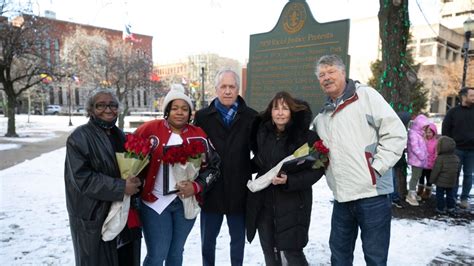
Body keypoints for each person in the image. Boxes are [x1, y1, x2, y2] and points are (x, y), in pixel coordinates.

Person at [311, 54, 407, 265]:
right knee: (339, 257)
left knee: (375, 258)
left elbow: (396, 134)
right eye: (321, 75)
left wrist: (378, 168)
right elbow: (310, 149)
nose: (326, 77)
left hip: (372, 196)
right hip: (342, 200)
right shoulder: (323, 116)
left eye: (331, 72)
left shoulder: (366, 96)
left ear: (343, 73)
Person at [135, 84, 220, 266]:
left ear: (190, 112)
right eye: (174, 108)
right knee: (158, 253)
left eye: (184, 109)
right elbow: (129, 155)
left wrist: (196, 186)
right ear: (167, 110)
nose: (179, 113)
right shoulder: (149, 130)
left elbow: (214, 168)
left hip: (185, 204)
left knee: (176, 253)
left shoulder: (199, 134)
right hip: (154, 202)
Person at [64, 88, 142, 266]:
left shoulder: (121, 136)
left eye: (113, 105)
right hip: (95, 215)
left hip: (124, 216)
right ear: (90, 109)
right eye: (101, 105)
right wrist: (122, 187)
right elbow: (82, 178)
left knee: (125, 259)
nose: (108, 109)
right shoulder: (79, 137)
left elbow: (129, 169)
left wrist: (137, 180)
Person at [246, 91, 325, 266]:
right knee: (269, 252)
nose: (280, 112)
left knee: (292, 253)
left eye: (285, 108)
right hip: (264, 203)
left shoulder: (307, 138)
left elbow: (317, 169)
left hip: (294, 204)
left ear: (292, 112)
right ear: (270, 112)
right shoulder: (263, 134)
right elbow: (260, 162)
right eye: (276, 108)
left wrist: (290, 181)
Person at [194, 69, 258, 266]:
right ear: (216, 89)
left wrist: (246, 168)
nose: (228, 91)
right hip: (211, 190)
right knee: (207, 243)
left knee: (238, 242)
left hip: (239, 191)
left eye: (232, 87)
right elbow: (195, 152)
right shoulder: (202, 117)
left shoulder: (251, 117)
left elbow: (261, 151)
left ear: (239, 89)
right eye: (224, 86)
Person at [442, 87, 474, 209]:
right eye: (472, 95)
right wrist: (449, 147)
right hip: (456, 150)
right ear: (464, 97)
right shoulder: (453, 112)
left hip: (472, 150)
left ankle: (464, 199)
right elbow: (445, 130)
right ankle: (452, 197)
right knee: (453, 175)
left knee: (468, 175)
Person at [430, 136, 460, 214]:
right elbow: (458, 171)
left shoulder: (440, 158)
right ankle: (451, 207)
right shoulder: (456, 158)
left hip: (441, 182)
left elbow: (436, 171)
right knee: (450, 194)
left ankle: (440, 208)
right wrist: (456, 180)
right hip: (451, 182)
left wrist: (431, 180)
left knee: (439, 195)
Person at [406, 114, 430, 206]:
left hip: (420, 160)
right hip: (416, 160)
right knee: (415, 177)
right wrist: (421, 156)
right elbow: (414, 147)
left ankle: (413, 193)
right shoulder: (413, 134)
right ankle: (410, 194)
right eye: (423, 127)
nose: (424, 129)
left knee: (418, 176)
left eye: (425, 127)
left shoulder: (419, 134)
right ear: (419, 125)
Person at [390, 111, 411, 208]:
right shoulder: (395, 129)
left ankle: (394, 197)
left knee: (393, 179)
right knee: (392, 179)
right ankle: (393, 198)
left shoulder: (400, 129)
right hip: (390, 159)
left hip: (394, 159)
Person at [418, 123, 438, 200]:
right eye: (426, 132)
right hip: (422, 164)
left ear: (434, 132)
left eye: (430, 132)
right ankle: (420, 190)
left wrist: (434, 161)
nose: (428, 134)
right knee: (421, 177)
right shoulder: (423, 140)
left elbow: (436, 153)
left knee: (429, 179)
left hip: (430, 165)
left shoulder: (436, 142)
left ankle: (427, 192)